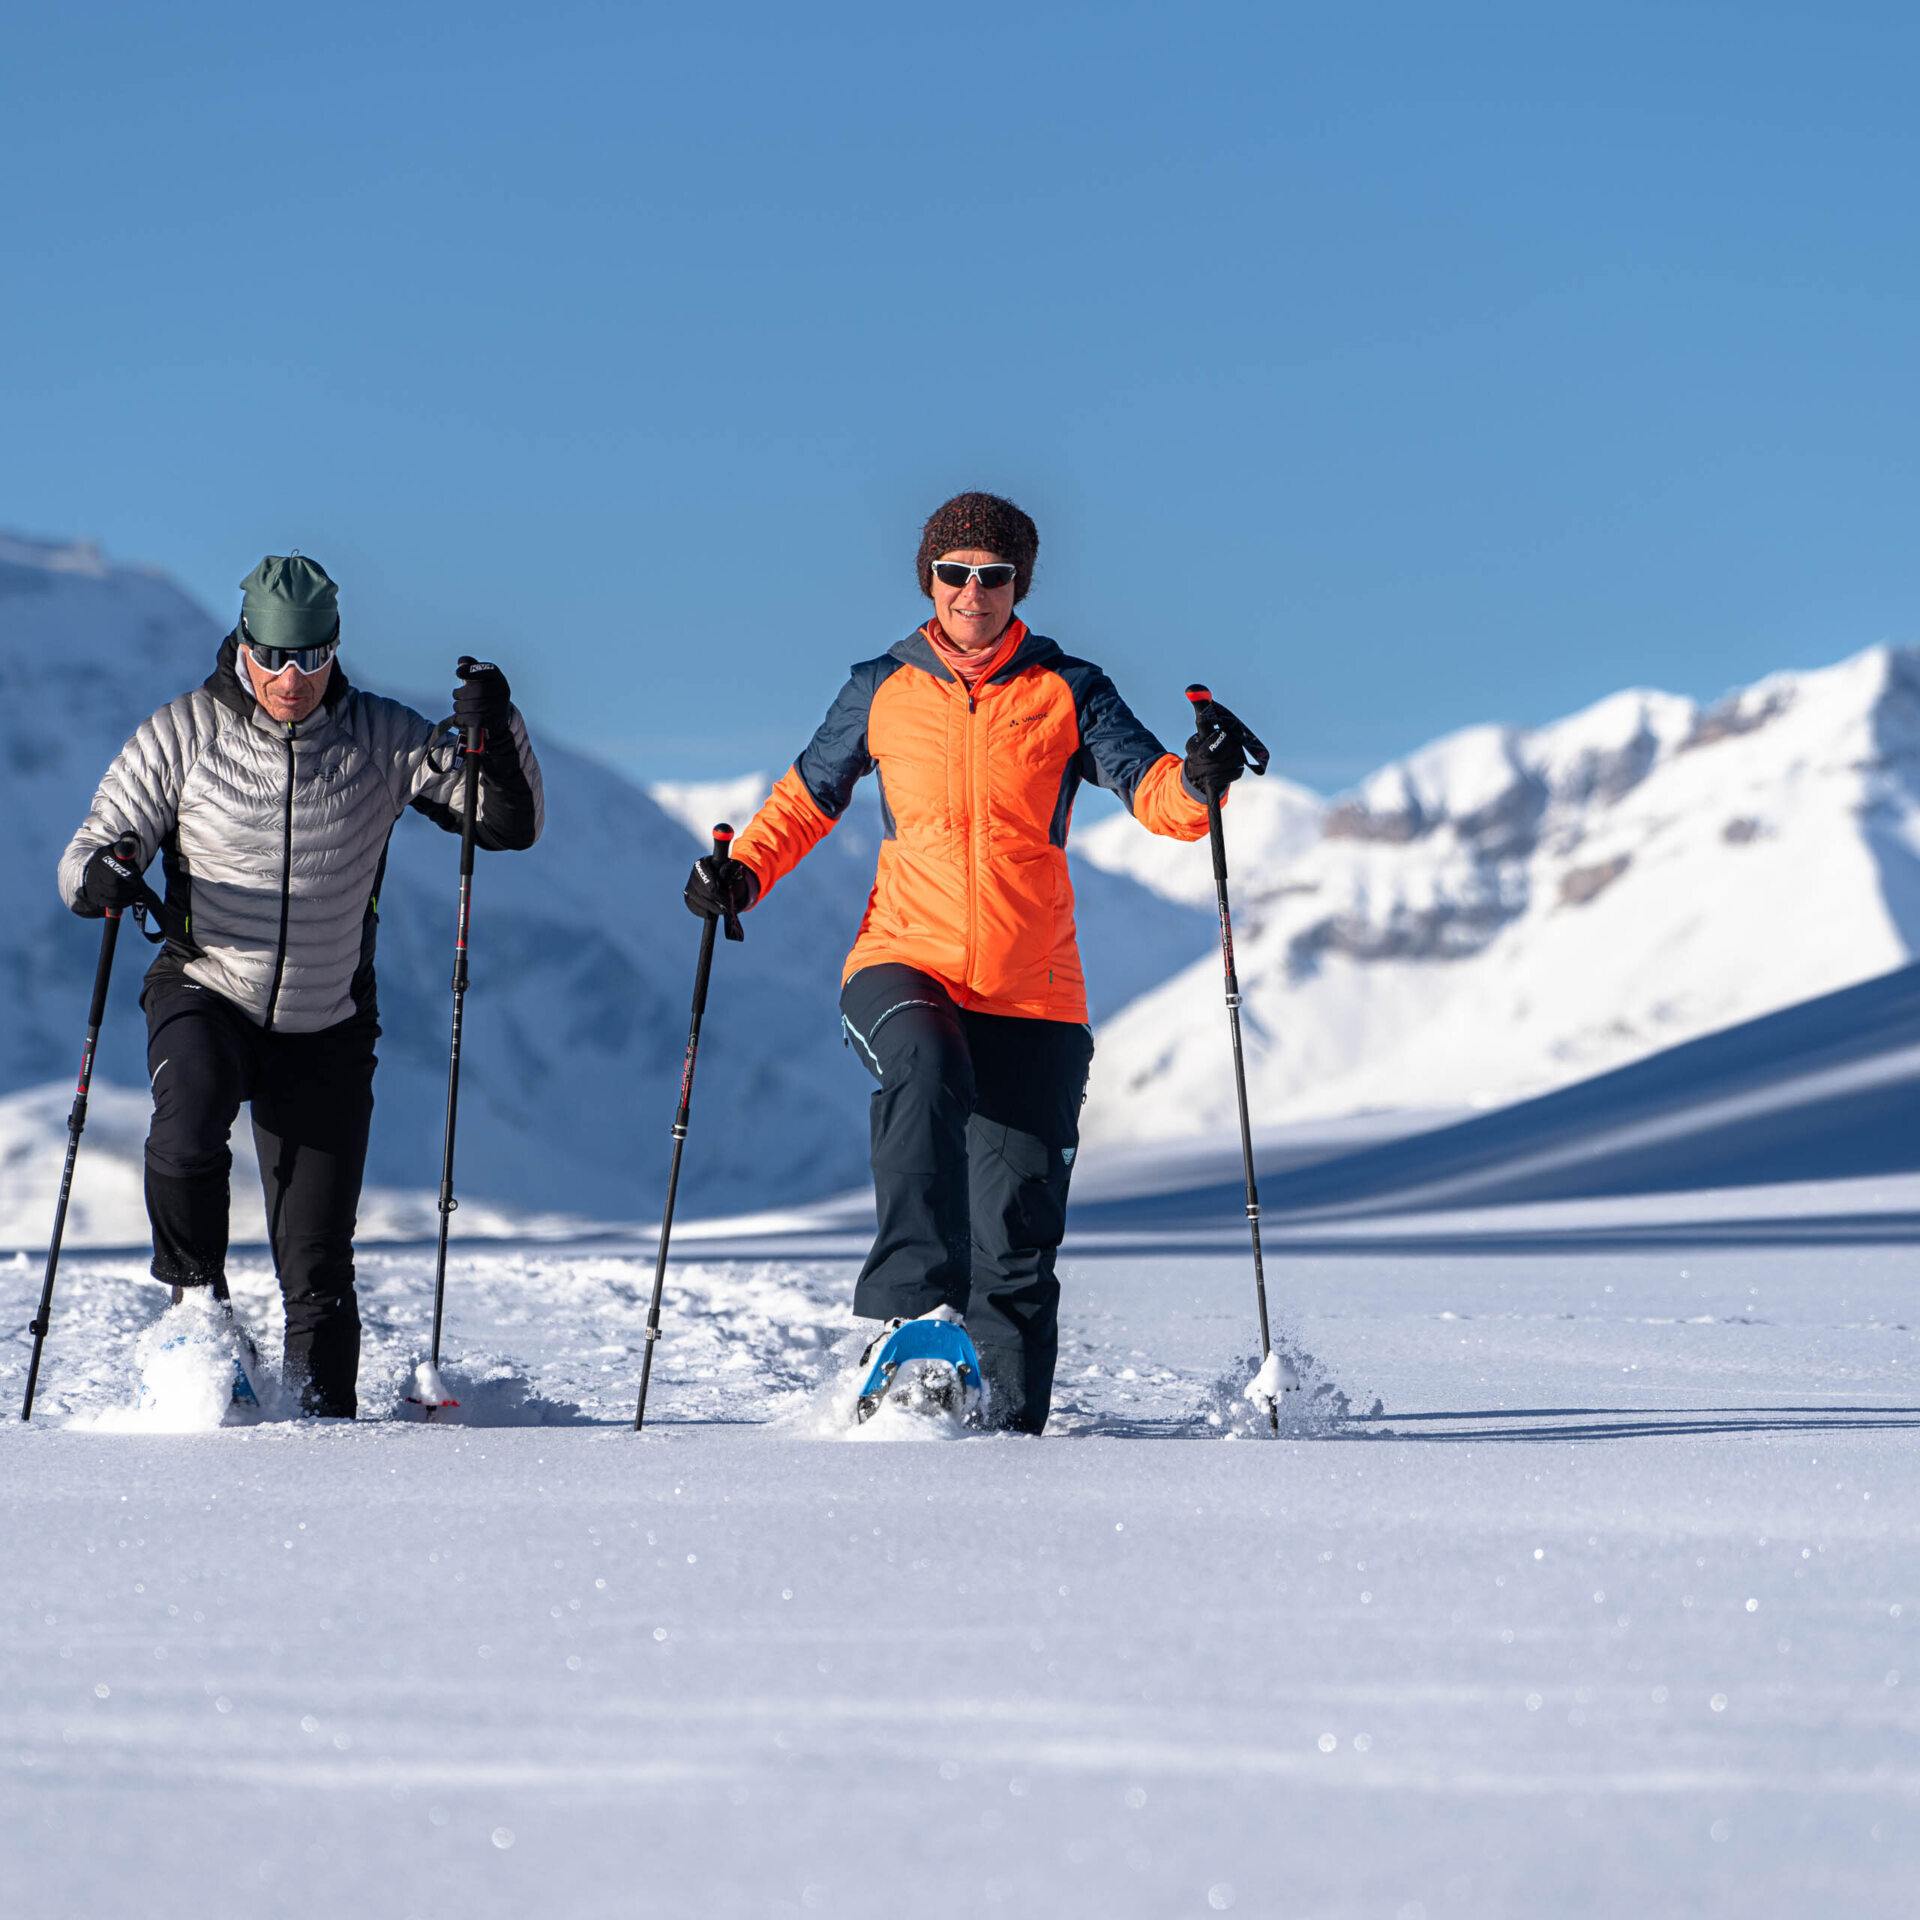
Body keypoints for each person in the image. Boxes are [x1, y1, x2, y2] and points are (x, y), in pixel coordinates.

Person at [683, 492, 1246, 1431]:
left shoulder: (1069, 687)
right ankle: (907, 1312)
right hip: (905, 959)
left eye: (993, 575)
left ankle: (1007, 1446)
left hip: (1036, 996)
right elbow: (805, 798)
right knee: (927, 1066)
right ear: (929, 582)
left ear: (1018, 584)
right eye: (955, 574)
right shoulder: (882, 687)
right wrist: (740, 875)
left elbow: (1155, 795)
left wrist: (1199, 778)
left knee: (1018, 1249)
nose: (973, 591)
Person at [58, 553, 544, 1417]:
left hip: (327, 1018)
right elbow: (89, 849)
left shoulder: (382, 737)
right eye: (276, 658)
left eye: (312, 659)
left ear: (335, 649)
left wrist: (497, 731)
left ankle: (325, 1435)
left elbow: (506, 822)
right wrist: (105, 871)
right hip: (207, 987)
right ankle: (197, 1309)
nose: (293, 679)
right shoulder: (180, 734)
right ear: (244, 646)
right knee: (188, 1119)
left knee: (317, 1264)